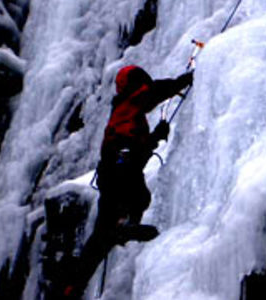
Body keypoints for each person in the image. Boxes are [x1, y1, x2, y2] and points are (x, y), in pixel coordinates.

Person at [63, 65, 193, 297]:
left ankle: (74, 285)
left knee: (101, 236)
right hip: (120, 166)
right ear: (137, 84)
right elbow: (154, 91)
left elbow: (139, 153)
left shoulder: (127, 112)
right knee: (138, 195)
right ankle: (125, 226)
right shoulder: (130, 103)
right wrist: (183, 81)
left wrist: (155, 136)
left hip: (112, 170)